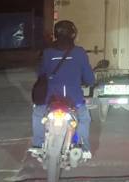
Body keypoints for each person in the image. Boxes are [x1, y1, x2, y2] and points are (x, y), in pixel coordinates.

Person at [31, 20, 95, 159]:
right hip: (73, 98)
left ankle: (37, 145)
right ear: (73, 35)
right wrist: (88, 81)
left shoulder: (47, 53)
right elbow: (89, 79)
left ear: (56, 34)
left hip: (50, 97)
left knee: (38, 114)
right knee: (84, 118)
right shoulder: (79, 53)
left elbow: (40, 73)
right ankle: (84, 148)